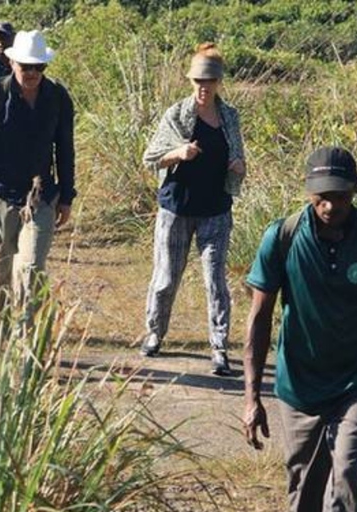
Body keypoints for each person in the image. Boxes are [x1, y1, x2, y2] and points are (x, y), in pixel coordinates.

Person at [243, 146, 357, 511]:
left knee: (347, 472)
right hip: (300, 385)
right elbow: (259, 320)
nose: (331, 206)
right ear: (307, 190)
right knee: (304, 487)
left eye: (341, 196)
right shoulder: (282, 237)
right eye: (322, 197)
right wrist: (251, 397)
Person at [140, 42, 246, 376]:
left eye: (209, 81)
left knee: (215, 280)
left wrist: (239, 165)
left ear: (218, 83)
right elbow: (151, 158)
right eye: (199, 81)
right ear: (191, 81)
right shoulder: (176, 115)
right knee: (166, 277)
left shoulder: (229, 116)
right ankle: (155, 332)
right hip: (176, 207)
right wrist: (179, 153)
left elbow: (238, 158)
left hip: (216, 210)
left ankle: (219, 347)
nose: (204, 87)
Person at [0, 29, 75, 318]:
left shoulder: (58, 97)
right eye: (26, 66)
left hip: (40, 196)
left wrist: (67, 195)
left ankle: (27, 338)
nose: (33, 72)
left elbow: (65, 148)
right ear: (13, 63)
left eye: (39, 66)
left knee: (32, 267)